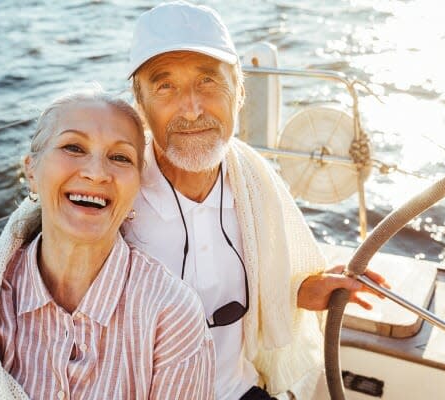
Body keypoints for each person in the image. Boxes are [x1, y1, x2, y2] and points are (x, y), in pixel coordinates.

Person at [123, 2, 389, 399]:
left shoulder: (252, 181)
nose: (192, 109)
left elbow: (262, 287)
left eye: (208, 82)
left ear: (240, 92)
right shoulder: (114, 192)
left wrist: (304, 290)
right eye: (165, 86)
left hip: (235, 389)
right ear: (140, 106)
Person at [0, 86, 216, 399]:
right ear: (31, 171)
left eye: (120, 157)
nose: (97, 173)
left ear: (137, 184)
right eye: (73, 148)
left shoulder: (173, 314)